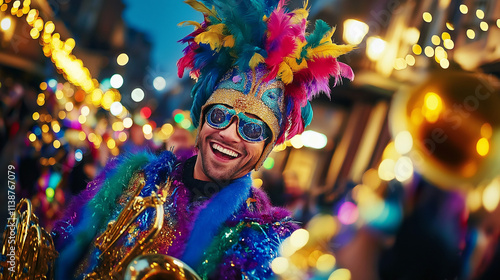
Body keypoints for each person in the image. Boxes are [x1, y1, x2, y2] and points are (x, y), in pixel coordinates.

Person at [51, 0, 354, 279]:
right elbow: (65, 249)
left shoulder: (262, 241)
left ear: (265, 149)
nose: (228, 134)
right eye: (219, 116)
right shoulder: (132, 179)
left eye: (251, 129)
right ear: (202, 119)